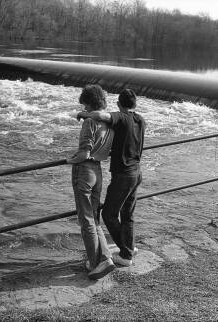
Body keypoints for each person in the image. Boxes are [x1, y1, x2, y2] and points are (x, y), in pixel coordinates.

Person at [77, 88, 145, 267]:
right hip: (137, 173)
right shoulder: (140, 120)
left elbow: (101, 115)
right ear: (135, 104)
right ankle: (129, 248)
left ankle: (126, 252)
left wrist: (83, 113)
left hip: (123, 176)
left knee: (108, 214)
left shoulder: (122, 118)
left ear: (118, 104)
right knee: (127, 214)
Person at [67, 84, 115, 280]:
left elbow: (84, 152)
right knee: (94, 218)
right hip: (98, 170)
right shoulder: (110, 122)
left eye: (85, 105)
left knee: (85, 219)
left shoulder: (89, 122)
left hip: (85, 170)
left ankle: (97, 262)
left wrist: (70, 160)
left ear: (89, 103)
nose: (84, 109)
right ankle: (104, 258)